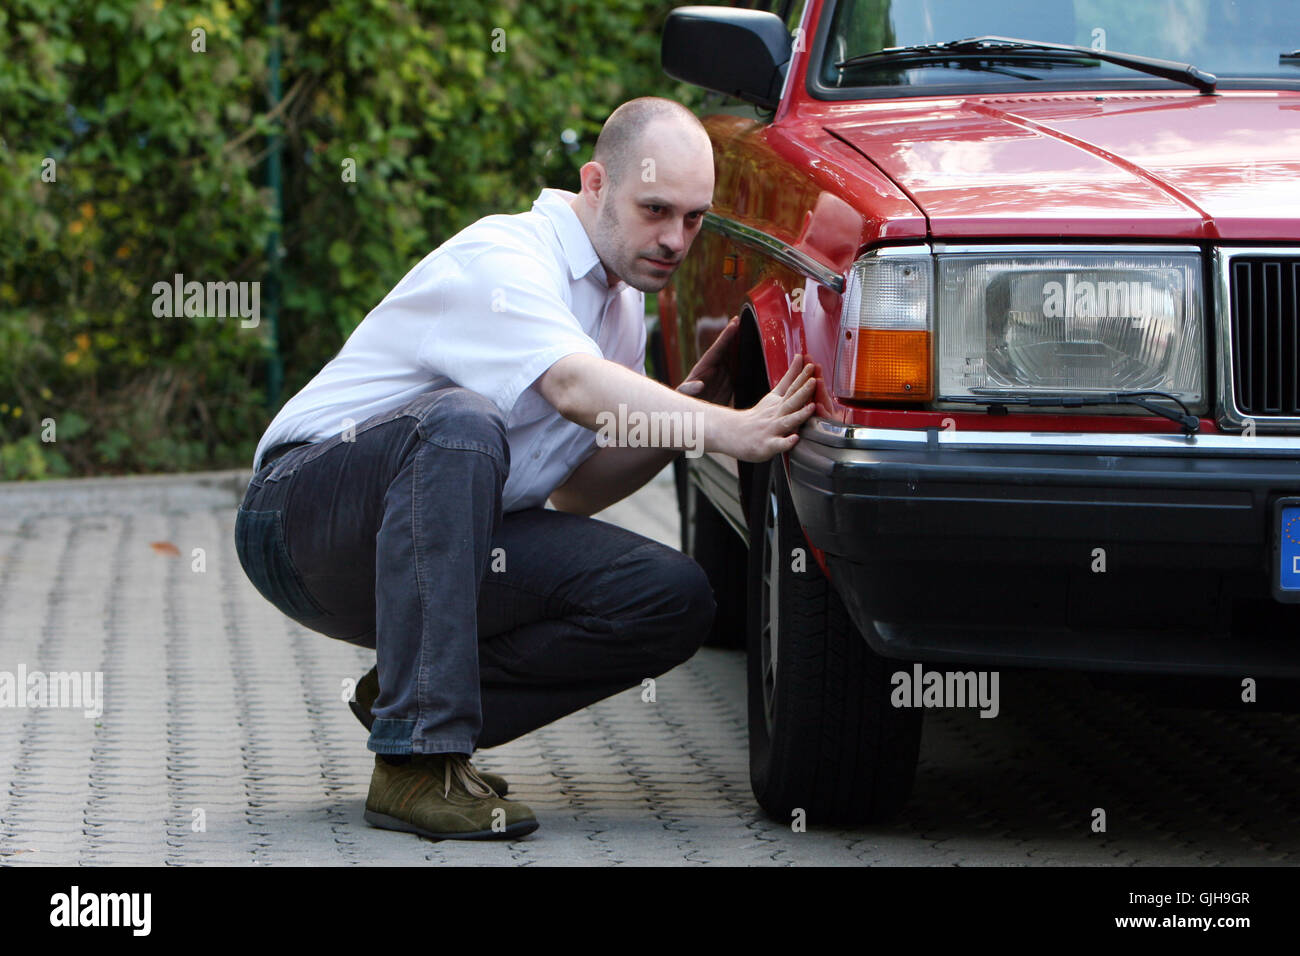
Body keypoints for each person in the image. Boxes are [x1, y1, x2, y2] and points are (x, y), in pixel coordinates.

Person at [233, 97, 818, 841]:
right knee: (461, 422)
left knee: (672, 597)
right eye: (656, 209)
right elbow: (572, 388)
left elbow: (574, 490)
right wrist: (733, 430)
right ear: (595, 184)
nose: (675, 240)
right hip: (297, 520)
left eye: (694, 219)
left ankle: (409, 694)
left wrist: (681, 417)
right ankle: (417, 758)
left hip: (435, 544)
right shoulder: (506, 261)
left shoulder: (616, 309)